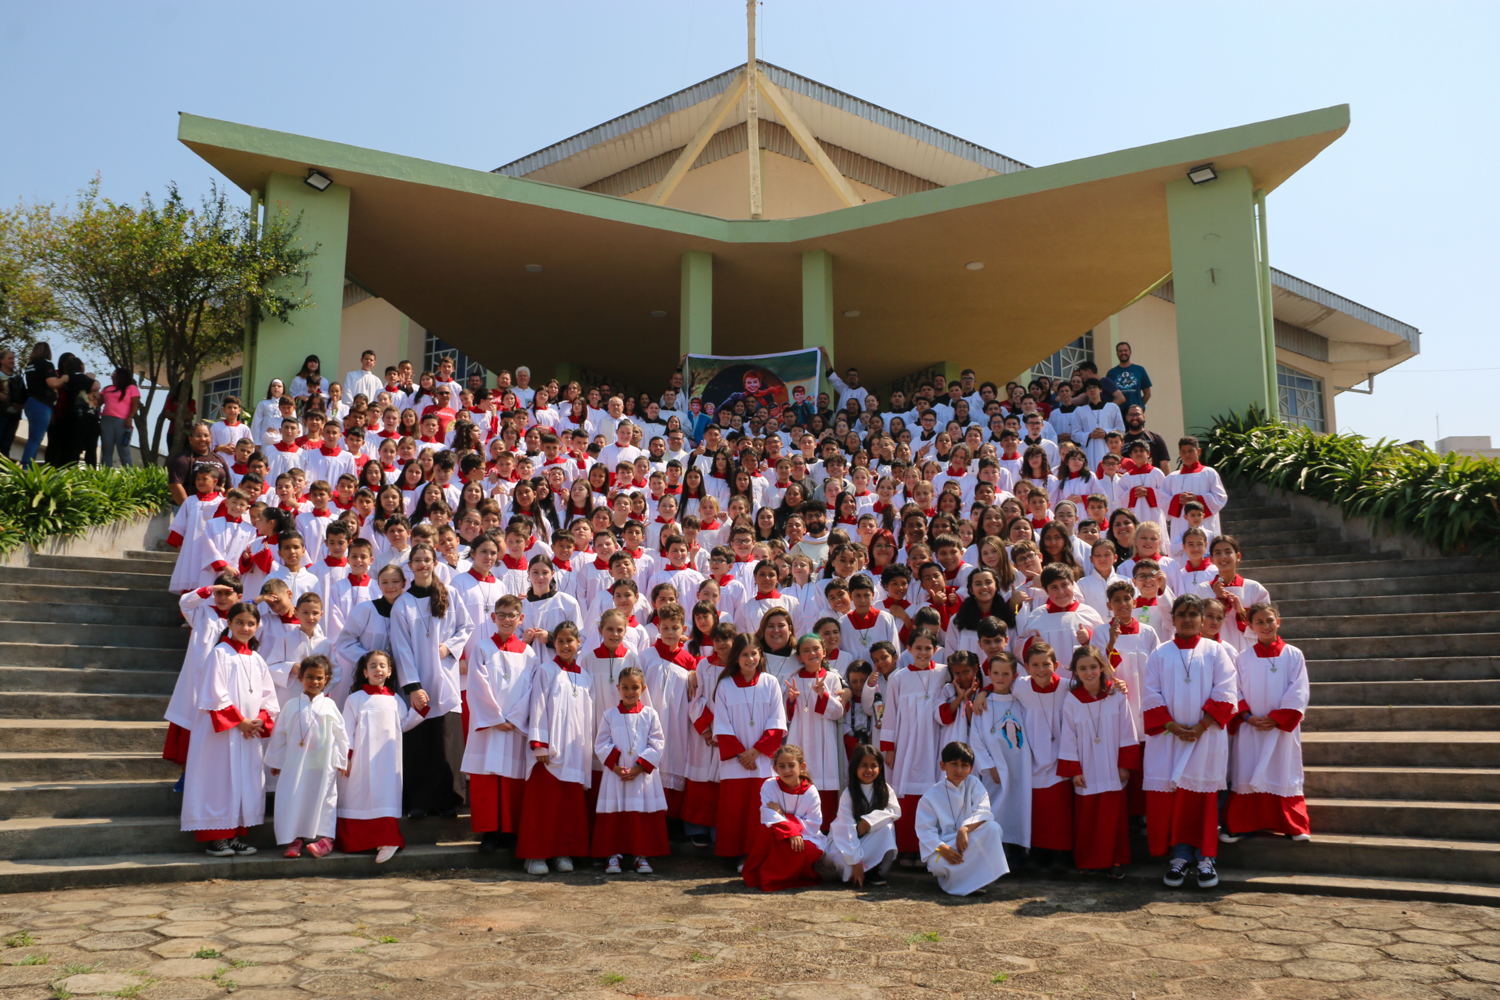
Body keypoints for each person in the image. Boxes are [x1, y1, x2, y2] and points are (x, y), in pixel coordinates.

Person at [1141, 593, 1238, 889]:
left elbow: (1226, 691)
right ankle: (1179, 857)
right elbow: (1150, 694)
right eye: (1181, 613)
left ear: (1202, 619)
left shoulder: (1216, 651)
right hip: (1169, 738)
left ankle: (1206, 857)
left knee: (1203, 799)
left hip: (1205, 737)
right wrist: (1172, 726)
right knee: (1174, 800)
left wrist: (1201, 726)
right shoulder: (1160, 653)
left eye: (1193, 614)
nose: (1187, 619)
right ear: (1172, 618)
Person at [180, 600, 278, 856]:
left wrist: (260, 719)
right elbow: (214, 694)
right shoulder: (220, 653)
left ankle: (234, 834)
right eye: (240, 622)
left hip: (247, 734)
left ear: (258, 626)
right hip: (221, 734)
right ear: (229, 624)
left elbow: (269, 697)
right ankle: (216, 838)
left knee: (243, 780)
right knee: (219, 780)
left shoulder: (257, 659)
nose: (245, 628)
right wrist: (241, 721)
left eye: (251, 623)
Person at [390, 542, 471, 819]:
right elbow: (400, 647)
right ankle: (419, 802)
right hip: (418, 684)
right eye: (417, 560)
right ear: (410, 566)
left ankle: (448, 799)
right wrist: (412, 686)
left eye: (427, 559)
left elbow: (466, 627)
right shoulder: (403, 603)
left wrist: (449, 647)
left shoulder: (449, 594)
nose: (423, 564)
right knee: (420, 744)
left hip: (445, 678)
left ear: (435, 564)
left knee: (445, 743)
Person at [1223, 602, 1312, 843]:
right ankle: (1243, 825)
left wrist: (1278, 718)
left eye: (1269, 620)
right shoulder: (1243, 658)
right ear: (1250, 626)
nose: (1265, 625)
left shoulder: (1294, 655)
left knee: (1282, 770)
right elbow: (1235, 691)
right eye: (1259, 622)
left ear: (1278, 622)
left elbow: (1299, 690)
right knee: (1248, 771)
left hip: (1281, 729)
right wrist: (1247, 717)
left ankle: (1292, 824)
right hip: (1250, 727)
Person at [516, 620, 595, 876]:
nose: (564, 645)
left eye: (569, 640)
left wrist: (585, 749)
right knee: (543, 805)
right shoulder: (546, 670)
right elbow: (537, 706)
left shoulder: (585, 676)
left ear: (578, 643)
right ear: (554, 644)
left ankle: (563, 852)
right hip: (549, 752)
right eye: (559, 641)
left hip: (574, 750)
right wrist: (540, 745)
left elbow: (588, 715)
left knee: (568, 806)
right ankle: (536, 855)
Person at [464, 594, 540, 854]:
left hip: (513, 727)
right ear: (493, 617)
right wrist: (495, 718)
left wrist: (514, 718)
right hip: (490, 725)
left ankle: (509, 832)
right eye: (502, 614)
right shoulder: (483, 648)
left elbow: (532, 689)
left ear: (521, 619)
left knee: (511, 781)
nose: (507, 619)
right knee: (487, 780)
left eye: (512, 615)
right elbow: (476, 684)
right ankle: (488, 833)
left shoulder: (529, 654)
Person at [1055, 645, 1139, 877]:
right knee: (1089, 816)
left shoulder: (1116, 694)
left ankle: (1116, 860)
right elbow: (1068, 737)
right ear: (1075, 672)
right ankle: (1090, 860)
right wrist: (1074, 771)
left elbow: (1127, 729)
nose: (1089, 672)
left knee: (1114, 816)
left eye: (1093, 666)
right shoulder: (1072, 700)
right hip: (1087, 766)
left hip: (1112, 764)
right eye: (1083, 668)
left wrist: (1124, 765)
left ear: (1102, 668)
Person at [711, 633, 788, 867]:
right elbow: (721, 724)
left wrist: (755, 752)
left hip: (762, 761)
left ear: (760, 655)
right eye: (744, 654)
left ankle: (757, 854)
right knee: (737, 809)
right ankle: (735, 853)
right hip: (735, 763)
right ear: (736, 657)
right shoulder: (725, 685)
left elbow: (777, 721)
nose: (750, 658)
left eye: (754, 653)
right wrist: (741, 754)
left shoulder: (770, 682)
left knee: (759, 809)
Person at [338, 650, 422, 862]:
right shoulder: (355, 699)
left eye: (382, 666)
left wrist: (421, 710)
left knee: (385, 796)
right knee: (358, 796)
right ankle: (357, 841)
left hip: (386, 760)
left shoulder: (395, 700)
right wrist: (345, 757)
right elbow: (346, 730)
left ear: (390, 671)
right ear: (365, 672)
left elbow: (403, 725)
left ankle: (388, 840)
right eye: (373, 666)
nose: (378, 669)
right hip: (359, 761)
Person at [265, 654, 349, 858]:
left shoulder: (330, 707)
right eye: (310, 677)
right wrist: (277, 761)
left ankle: (325, 839)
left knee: (325, 799)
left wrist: (341, 761)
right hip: (296, 763)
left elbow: (341, 735)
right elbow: (280, 734)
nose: (315, 682)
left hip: (323, 764)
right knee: (295, 797)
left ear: (327, 679)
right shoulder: (291, 705)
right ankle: (295, 839)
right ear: (301, 677)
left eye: (320, 678)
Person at [591, 664, 669, 874]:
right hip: (616, 774)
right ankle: (613, 855)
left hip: (641, 776)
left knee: (639, 815)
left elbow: (657, 742)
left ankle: (640, 856)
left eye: (634, 687)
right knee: (615, 815)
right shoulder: (609, 715)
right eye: (625, 687)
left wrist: (640, 767)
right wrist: (616, 766)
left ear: (642, 689)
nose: (629, 692)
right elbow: (601, 743)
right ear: (618, 688)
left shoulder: (650, 714)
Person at [915, 741, 1008, 896]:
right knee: (938, 866)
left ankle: (976, 880)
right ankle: (960, 880)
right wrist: (942, 848)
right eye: (953, 764)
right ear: (943, 765)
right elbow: (925, 830)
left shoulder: (974, 784)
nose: (959, 770)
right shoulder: (930, 796)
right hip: (945, 847)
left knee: (993, 828)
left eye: (964, 765)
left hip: (968, 842)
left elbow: (983, 810)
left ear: (971, 768)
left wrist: (965, 828)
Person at [741, 744, 825, 891]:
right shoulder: (769, 785)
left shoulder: (811, 792)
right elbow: (767, 813)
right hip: (779, 833)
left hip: (806, 836)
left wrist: (783, 817)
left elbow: (813, 824)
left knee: (804, 850)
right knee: (765, 832)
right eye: (782, 766)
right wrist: (789, 830)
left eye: (791, 765)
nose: (786, 770)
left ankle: (787, 878)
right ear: (775, 769)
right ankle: (763, 875)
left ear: (802, 766)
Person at [826, 745, 901, 887]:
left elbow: (895, 811)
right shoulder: (848, 794)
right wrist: (856, 862)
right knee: (848, 869)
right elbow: (845, 829)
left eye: (873, 766)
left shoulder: (885, 789)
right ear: (855, 768)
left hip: (871, 841)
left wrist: (870, 820)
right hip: (846, 842)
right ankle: (860, 868)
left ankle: (872, 869)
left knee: (887, 826)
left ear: (880, 767)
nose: (869, 770)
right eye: (864, 766)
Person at [19, 342, 64, 467]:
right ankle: (26, 467)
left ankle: (28, 466)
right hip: (42, 404)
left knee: (33, 437)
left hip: (31, 402)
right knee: (36, 438)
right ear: (47, 351)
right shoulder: (46, 363)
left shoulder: (30, 365)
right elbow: (52, 383)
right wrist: (63, 379)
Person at [167, 421, 233, 506]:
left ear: (211, 438)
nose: (203, 439)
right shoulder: (182, 459)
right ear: (190, 438)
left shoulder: (219, 459)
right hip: (192, 507)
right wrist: (188, 508)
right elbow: (175, 485)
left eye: (206, 436)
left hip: (217, 509)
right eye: (198, 436)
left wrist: (224, 506)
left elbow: (229, 487)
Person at [98, 367, 142, 467]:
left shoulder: (131, 388)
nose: (113, 375)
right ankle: (105, 476)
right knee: (106, 450)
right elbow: (98, 404)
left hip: (123, 422)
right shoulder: (107, 389)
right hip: (106, 421)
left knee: (124, 451)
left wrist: (130, 417)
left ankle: (130, 476)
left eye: (115, 373)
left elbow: (136, 404)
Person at [1121, 405, 1171, 474]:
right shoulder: (1121, 441)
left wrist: (1167, 483)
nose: (1134, 418)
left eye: (1137, 414)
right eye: (1131, 415)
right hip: (1130, 481)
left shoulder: (1155, 437)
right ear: (1126, 417)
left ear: (1143, 417)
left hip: (1153, 480)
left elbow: (1164, 463)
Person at [1105, 341, 1152, 411]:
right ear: (1117, 354)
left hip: (1135, 414)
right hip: (1118, 413)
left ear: (1130, 352)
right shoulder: (1111, 373)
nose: (1123, 353)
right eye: (1120, 351)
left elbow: (1147, 393)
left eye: (1125, 350)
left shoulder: (1140, 370)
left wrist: (1140, 406)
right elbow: (1107, 395)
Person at [0, 348, 23, 458]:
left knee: (7, 444)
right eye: (9, 358)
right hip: (1, 414)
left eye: (13, 358)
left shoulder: (18, 377)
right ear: (1, 360)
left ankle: (3, 471)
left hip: (14, 416)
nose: (12, 361)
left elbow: (23, 394)